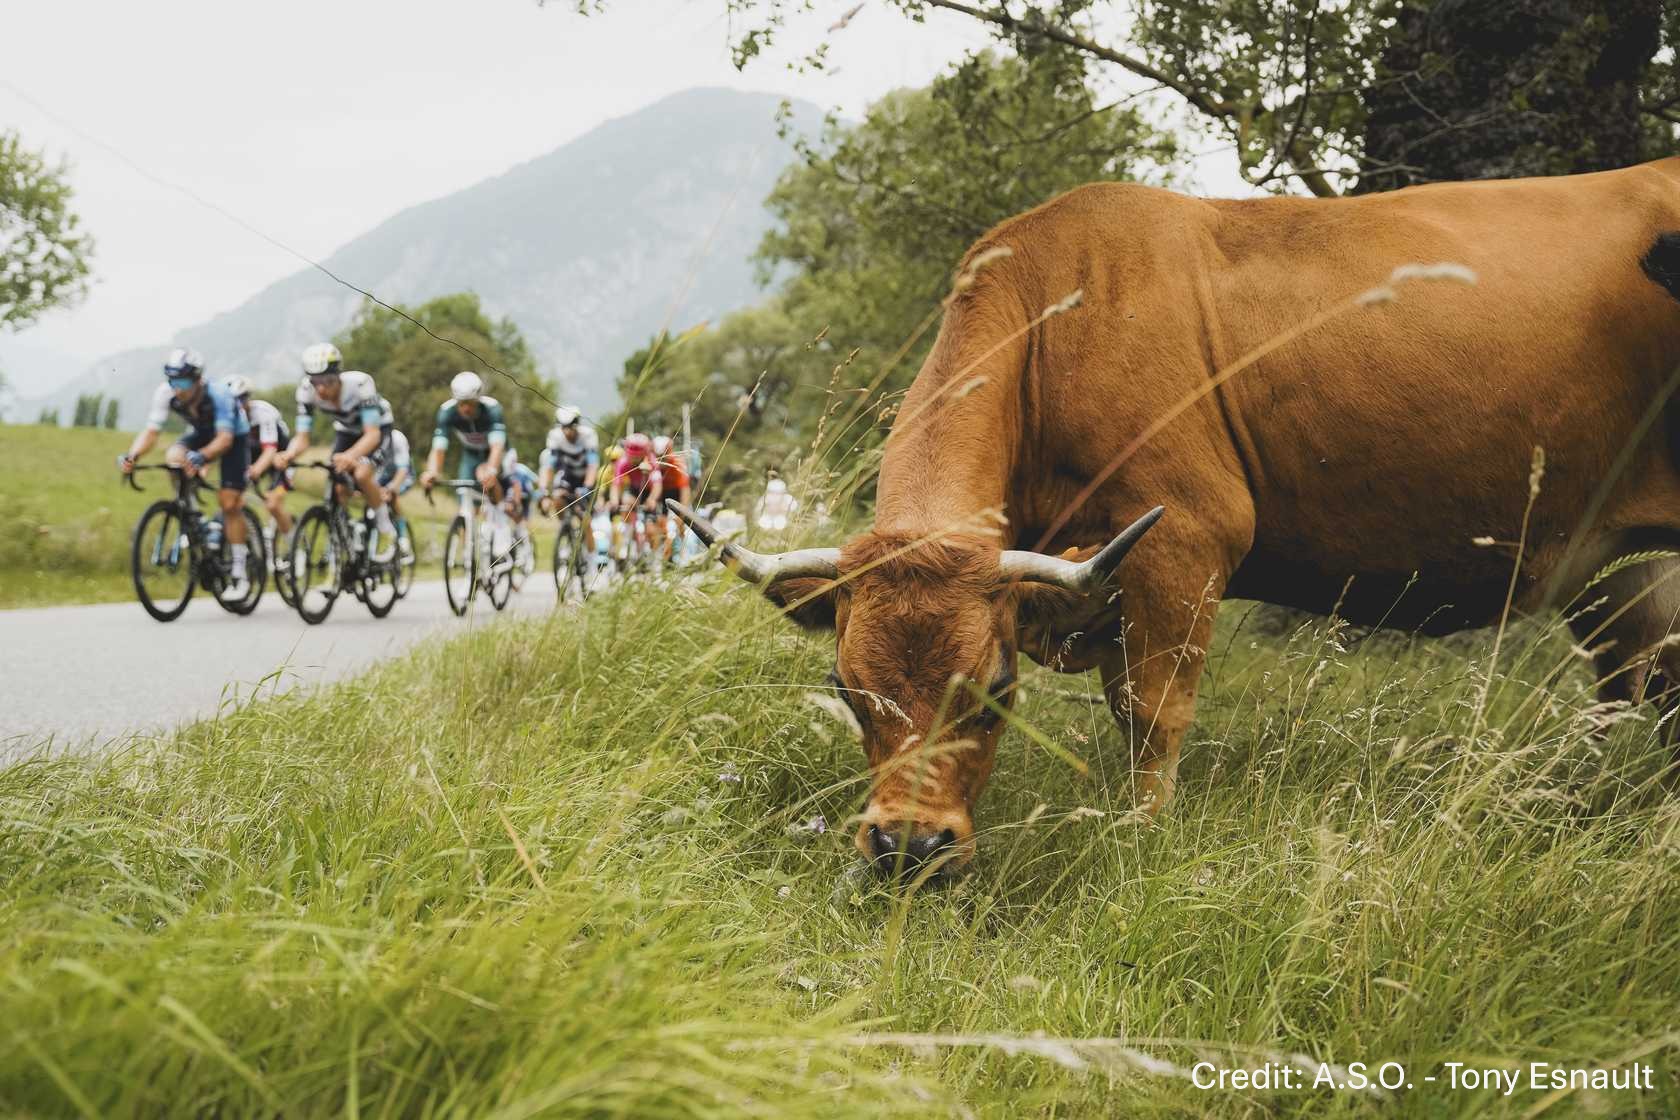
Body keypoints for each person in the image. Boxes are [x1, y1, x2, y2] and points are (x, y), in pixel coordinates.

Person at [273, 342, 398, 561]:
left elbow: (372, 435)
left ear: (338, 376)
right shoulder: (306, 391)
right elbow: (302, 438)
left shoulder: (360, 384)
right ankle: (346, 540)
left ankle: (385, 528)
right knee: (338, 487)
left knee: (361, 474)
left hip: (377, 430)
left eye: (328, 381)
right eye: (315, 382)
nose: (321, 389)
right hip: (347, 431)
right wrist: (289, 454)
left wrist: (351, 456)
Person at [225, 375, 296, 568]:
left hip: (279, 459)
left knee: (273, 505)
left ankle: (294, 549)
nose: (238, 405)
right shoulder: (227, 418)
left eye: (242, 400)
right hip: (255, 457)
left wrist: (255, 470)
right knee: (233, 501)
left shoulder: (264, 412)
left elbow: (270, 449)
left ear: (248, 398)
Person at [418, 372, 506, 501]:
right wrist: (432, 472)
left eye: (470, 403)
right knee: (464, 493)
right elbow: (438, 449)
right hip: (470, 454)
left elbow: (497, 447)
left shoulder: (492, 409)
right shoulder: (446, 412)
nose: (466, 408)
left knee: (493, 488)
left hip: (496, 453)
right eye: (461, 403)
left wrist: (492, 470)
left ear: (478, 399)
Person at [537, 404, 600, 554]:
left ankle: (591, 559)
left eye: (570, 427)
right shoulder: (555, 436)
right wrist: (544, 491)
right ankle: (565, 530)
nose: (566, 431)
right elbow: (549, 467)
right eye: (563, 427)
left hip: (585, 478)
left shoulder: (589, 436)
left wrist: (587, 487)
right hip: (568, 476)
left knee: (585, 519)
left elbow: (592, 466)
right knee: (558, 498)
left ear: (577, 425)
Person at [608, 432, 663, 560]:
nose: (634, 460)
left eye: (638, 457)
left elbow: (657, 485)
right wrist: (614, 501)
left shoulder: (652, 462)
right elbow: (616, 485)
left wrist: (652, 499)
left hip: (649, 492)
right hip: (634, 491)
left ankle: (655, 559)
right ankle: (626, 543)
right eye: (632, 456)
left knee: (650, 530)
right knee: (627, 504)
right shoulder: (622, 462)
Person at [375, 416, 415, 560]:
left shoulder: (397, 438)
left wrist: (391, 488)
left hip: (403, 475)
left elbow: (403, 470)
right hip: (382, 475)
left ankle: (403, 541)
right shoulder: (367, 436)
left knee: (392, 496)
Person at [652, 435, 691, 560]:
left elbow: (685, 490)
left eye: (663, 455)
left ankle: (685, 554)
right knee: (661, 527)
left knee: (679, 525)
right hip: (662, 495)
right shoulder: (652, 464)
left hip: (677, 494)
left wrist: (683, 513)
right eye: (657, 455)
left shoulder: (678, 463)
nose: (660, 459)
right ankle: (660, 558)